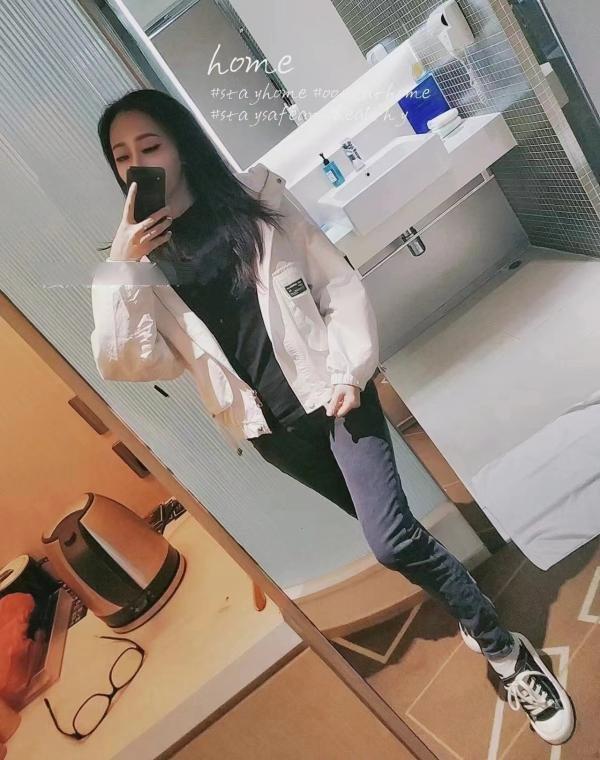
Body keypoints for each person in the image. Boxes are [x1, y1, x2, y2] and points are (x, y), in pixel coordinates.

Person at [91, 89, 574, 746]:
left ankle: (504, 650)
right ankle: (467, 602)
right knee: (400, 537)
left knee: (390, 541)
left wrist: (351, 369)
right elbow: (132, 363)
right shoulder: (137, 263)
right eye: (122, 156)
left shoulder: (255, 198)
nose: (137, 164)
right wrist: (120, 272)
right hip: (274, 433)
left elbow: (336, 282)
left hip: (337, 392)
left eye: (149, 145)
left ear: (179, 144)